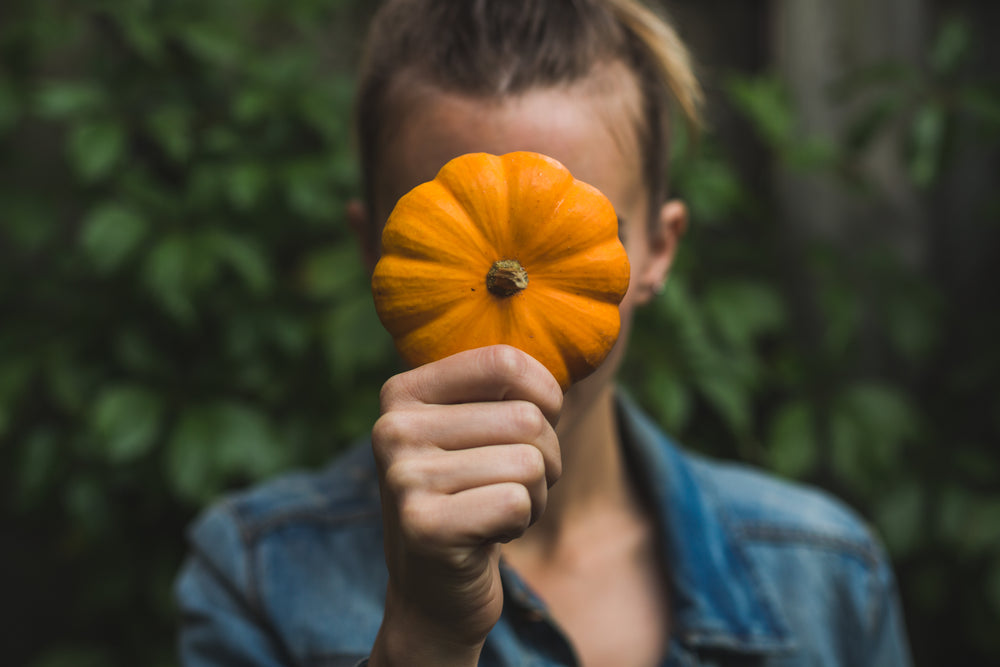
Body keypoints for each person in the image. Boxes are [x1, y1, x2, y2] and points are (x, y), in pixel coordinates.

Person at [175, 1, 913, 665]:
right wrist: (423, 641)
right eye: (442, 232)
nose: (507, 272)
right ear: (377, 251)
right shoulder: (256, 575)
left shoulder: (829, 576)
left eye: (584, 236)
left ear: (658, 249)